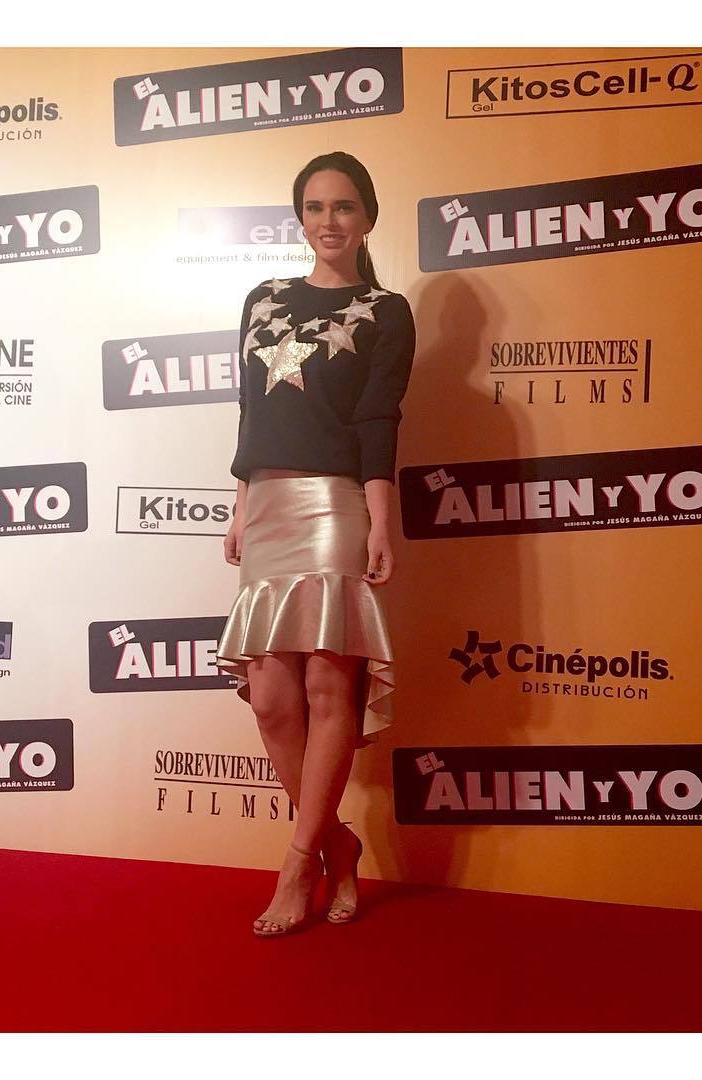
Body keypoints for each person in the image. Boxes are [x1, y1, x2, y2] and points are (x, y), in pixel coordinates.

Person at [216, 152, 416, 937]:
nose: (328, 221)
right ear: (300, 218)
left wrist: (381, 521)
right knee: (271, 700)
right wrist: (242, 505)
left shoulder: (385, 310)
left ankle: (298, 865)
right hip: (267, 504)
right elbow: (250, 409)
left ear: (367, 217)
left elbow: (378, 420)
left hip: (336, 506)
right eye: (314, 207)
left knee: (331, 689)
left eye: (344, 206)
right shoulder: (263, 298)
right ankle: (337, 844)